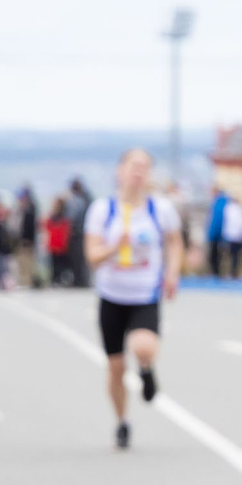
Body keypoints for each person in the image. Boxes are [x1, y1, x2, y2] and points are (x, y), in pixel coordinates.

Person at [80, 148, 180, 450]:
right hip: (112, 295)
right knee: (115, 367)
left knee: (143, 346)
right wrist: (113, 247)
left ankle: (147, 372)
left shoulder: (159, 210)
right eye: (133, 166)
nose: (139, 172)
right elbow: (92, 257)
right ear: (120, 171)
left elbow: (175, 243)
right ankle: (122, 422)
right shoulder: (103, 210)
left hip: (144, 293)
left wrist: (173, 274)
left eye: (145, 167)